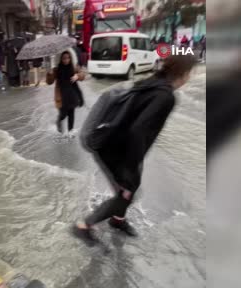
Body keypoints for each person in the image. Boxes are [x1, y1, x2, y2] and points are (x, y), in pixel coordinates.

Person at [72, 55, 197, 245]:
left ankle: (117, 220)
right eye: (190, 73)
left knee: (131, 187)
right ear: (183, 73)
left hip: (113, 139)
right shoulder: (166, 96)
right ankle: (83, 226)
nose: (190, 78)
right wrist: (130, 167)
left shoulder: (153, 82)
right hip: (112, 147)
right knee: (126, 194)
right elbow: (138, 130)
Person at [46, 51, 85, 136]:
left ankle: (70, 131)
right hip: (61, 96)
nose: (66, 60)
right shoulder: (56, 69)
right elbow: (49, 82)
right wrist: (49, 74)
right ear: (61, 59)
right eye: (64, 58)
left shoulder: (74, 67)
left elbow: (82, 74)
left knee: (71, 113)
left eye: (68, 58)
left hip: (72, 94)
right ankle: (59, 125)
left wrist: (77, 76)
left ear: (70, 58)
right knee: (63, 114)